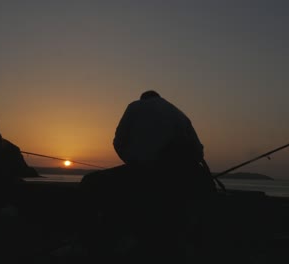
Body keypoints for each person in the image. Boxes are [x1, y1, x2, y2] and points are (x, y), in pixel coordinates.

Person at [77, 91, 215, 260]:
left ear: (143, 98)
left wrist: (133, 162)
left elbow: (118, 142)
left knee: (89, 182)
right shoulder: (179, 113)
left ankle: (90, 245)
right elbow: (198, 151)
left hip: (143, 173)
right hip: (179, 179)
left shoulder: (135, 106)